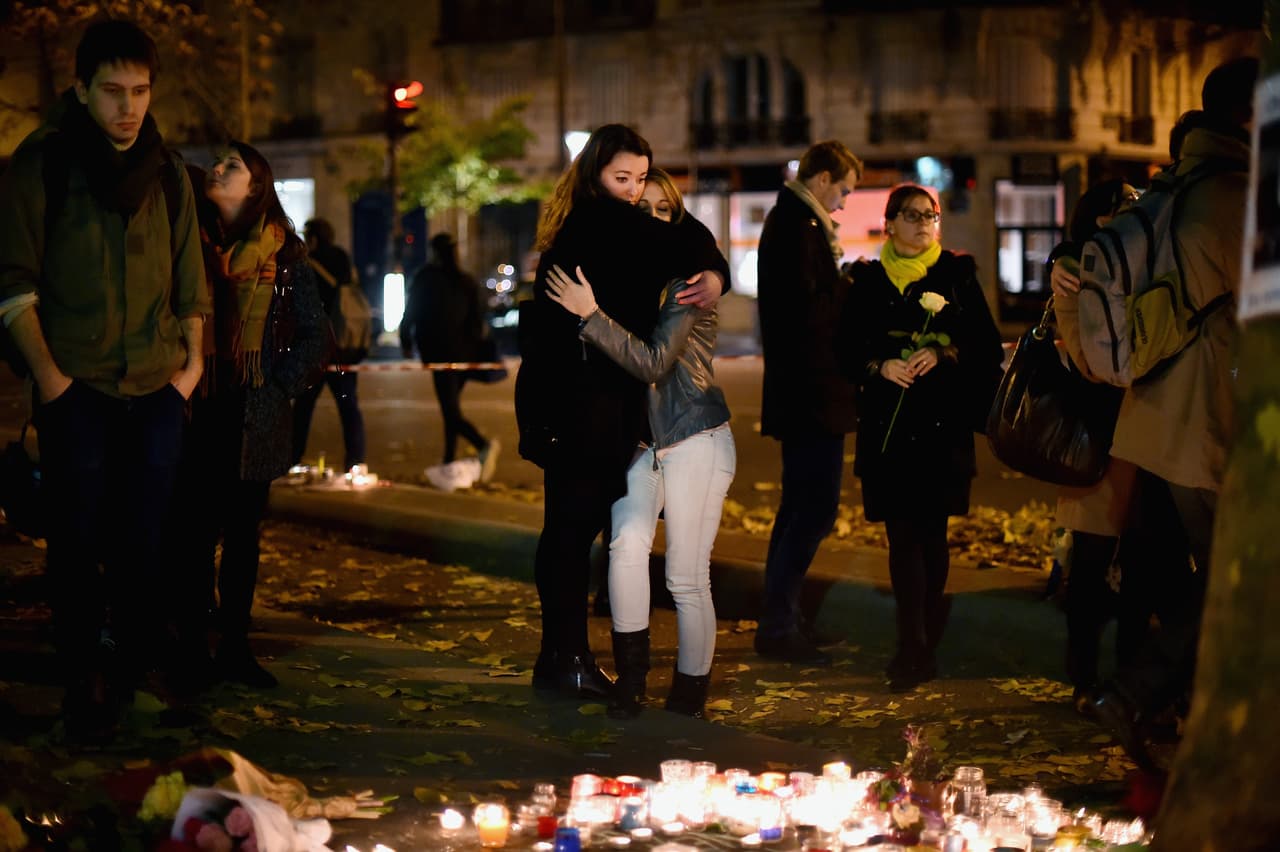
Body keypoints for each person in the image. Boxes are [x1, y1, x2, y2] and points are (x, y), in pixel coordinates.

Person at [0, 20, 208, 741]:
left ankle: (132, 670)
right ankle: (83, 677)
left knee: (145, 542)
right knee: (76, 541)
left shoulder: (169, 171)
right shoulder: (44, 164)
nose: (129, 107)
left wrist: (189, 372)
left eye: (141, 91)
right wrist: (53, 381)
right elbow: (13, 284)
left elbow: (190, 284)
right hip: (77, 388)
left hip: (156, 387)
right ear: (82, 89)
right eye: (113, 91)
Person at [1052, 57, 1256, 768]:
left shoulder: (1172, 189)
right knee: (1239, 579)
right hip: (1212, 420)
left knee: (1200, 576)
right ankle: (1141, 694)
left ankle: (1176, 707)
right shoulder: (1235, 196)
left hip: (1156, 421)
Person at [515, 123, 729, 700]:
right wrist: (718, 274)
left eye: (640, 178)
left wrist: (712, 273)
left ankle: (560, 660)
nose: (633, 191)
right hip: (583, 407)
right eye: (623, 178)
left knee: (565, 533)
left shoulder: (580, 221)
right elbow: (692, 241)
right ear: (595, 175)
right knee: (571, 535)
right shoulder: (605, 221)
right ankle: (568, 661)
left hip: (564, 402)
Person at [169, 142, 327, 690]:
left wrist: (276, 386)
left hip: (252, 416)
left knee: (241, 538)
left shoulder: (285, 256)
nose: (217, 169)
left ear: (256, 186)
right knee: (191, 536)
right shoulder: (191, 243)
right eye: (217, 162)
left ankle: (235, 646)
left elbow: (316, 336)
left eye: (231, 165)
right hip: (198, 405)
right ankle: (192, 648)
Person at [839, 185, 1004, 691]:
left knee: (933, 535)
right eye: (911, 216)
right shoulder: (867, 281)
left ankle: (924, 640)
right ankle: (911, 644)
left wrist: (944, 354)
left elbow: (986, 346)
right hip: (888, 430)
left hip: (940, 428)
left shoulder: (956, 275)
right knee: (902, 537)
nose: (923, 223)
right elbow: (844, 349)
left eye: (930, 215)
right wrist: (879, 365)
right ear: (889, 224)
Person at [753, 140, 863, 664]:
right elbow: (809, 310)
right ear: (823, 180)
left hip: (805, 392)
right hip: (811, 393)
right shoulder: (799, 226)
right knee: (813, 509)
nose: (844, 201)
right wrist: (850, 285)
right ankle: (778, 624)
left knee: (800, 506)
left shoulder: (796, 221)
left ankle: (784, 618)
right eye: (844, 189)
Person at [1046, 180, 1142, 714]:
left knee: (1143, 569)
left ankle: (1133, 684)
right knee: (1090, 568)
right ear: (1098, 219)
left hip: (1147, 436)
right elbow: (1089, 361)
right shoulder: (1075, 272)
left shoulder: (1143, 262)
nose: (1133, 211)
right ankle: (1084, 679)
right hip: (1100, 438)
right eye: (1123, 205)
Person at [401, 232, 500, 482]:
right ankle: (448, 461)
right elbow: (477, 320)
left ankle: (482, 444)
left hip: (438, 354)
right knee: (451, 408)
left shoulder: (425, 278)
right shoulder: (464, 280)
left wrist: (406, 340)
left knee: (450, 410)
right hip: (464, 354)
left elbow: (411, 311)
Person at [290, 217, 367, 473]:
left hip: (316, 347)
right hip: (343, 347)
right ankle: (355, 460)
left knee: (303, 407)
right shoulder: (343, 259)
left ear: (313, 238)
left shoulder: (307, 263)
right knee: (348, 405)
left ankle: (292, 457)